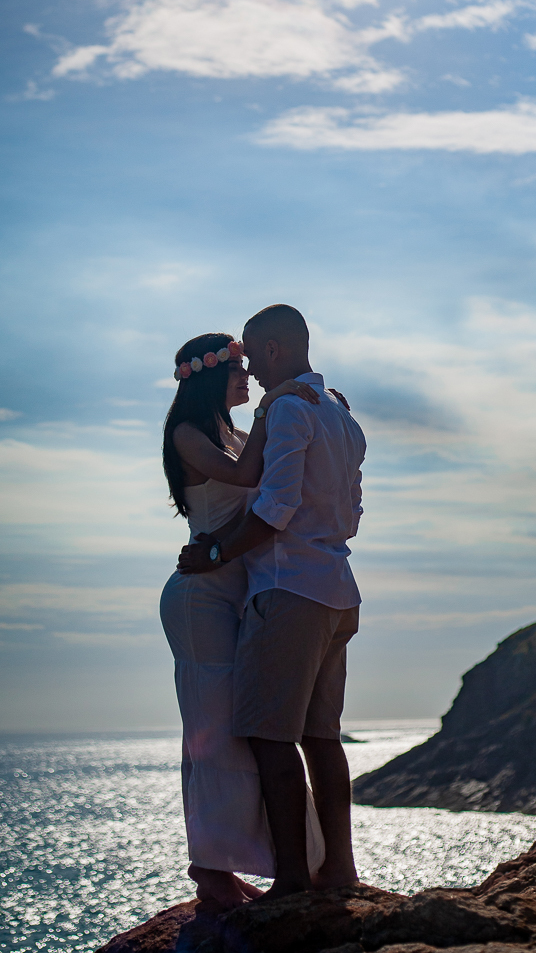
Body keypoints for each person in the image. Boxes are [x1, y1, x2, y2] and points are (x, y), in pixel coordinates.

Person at [178, 305, 366, 899]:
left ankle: (291, 881)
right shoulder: (339, 411)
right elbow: (352, 509)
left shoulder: (287, 408)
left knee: (271, 737)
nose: (252, 371)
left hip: (287, 589)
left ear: (275, 350)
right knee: (322, 737)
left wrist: (215, 553)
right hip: (337, 587)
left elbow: (274, 506)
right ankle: (338, 870)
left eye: (253, 357)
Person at [159, 332, 329, 908]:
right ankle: (209, 871)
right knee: (211, 734)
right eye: (235, 368)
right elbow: (247, 474)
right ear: (208, 376)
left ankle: (232, 862)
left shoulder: (229, 431)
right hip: (201, 597)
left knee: (241, 730)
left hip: (239, 590)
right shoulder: (188, 433)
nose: (247, 375)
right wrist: (274, 404)